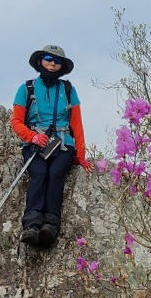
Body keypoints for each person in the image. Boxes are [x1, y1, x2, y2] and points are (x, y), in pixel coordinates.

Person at [10, 44, 92, 246]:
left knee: (55, 173)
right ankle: (31, 224)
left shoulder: (68, 90)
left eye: (57, 61)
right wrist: (32, 137)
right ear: (40, 61)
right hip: (35, 145)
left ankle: (51, 224)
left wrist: (80, 155)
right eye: (48, 59)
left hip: (64, 145)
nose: (52, 64)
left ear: (62, 66)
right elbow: (16, 122)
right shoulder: (26, 89)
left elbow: (76, 124)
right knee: (39, 173)